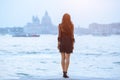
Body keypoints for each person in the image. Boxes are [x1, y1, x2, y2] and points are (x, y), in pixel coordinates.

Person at [58, 13, 75, 78]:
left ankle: (63, 73)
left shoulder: (60, 25)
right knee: (67, 58)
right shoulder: (71, 25)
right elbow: (72, 36)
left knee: (62, 58)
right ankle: (65, 73)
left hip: (62, 42)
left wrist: (58, 44)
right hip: (69, 42)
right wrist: (73, 44)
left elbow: (59, 36)